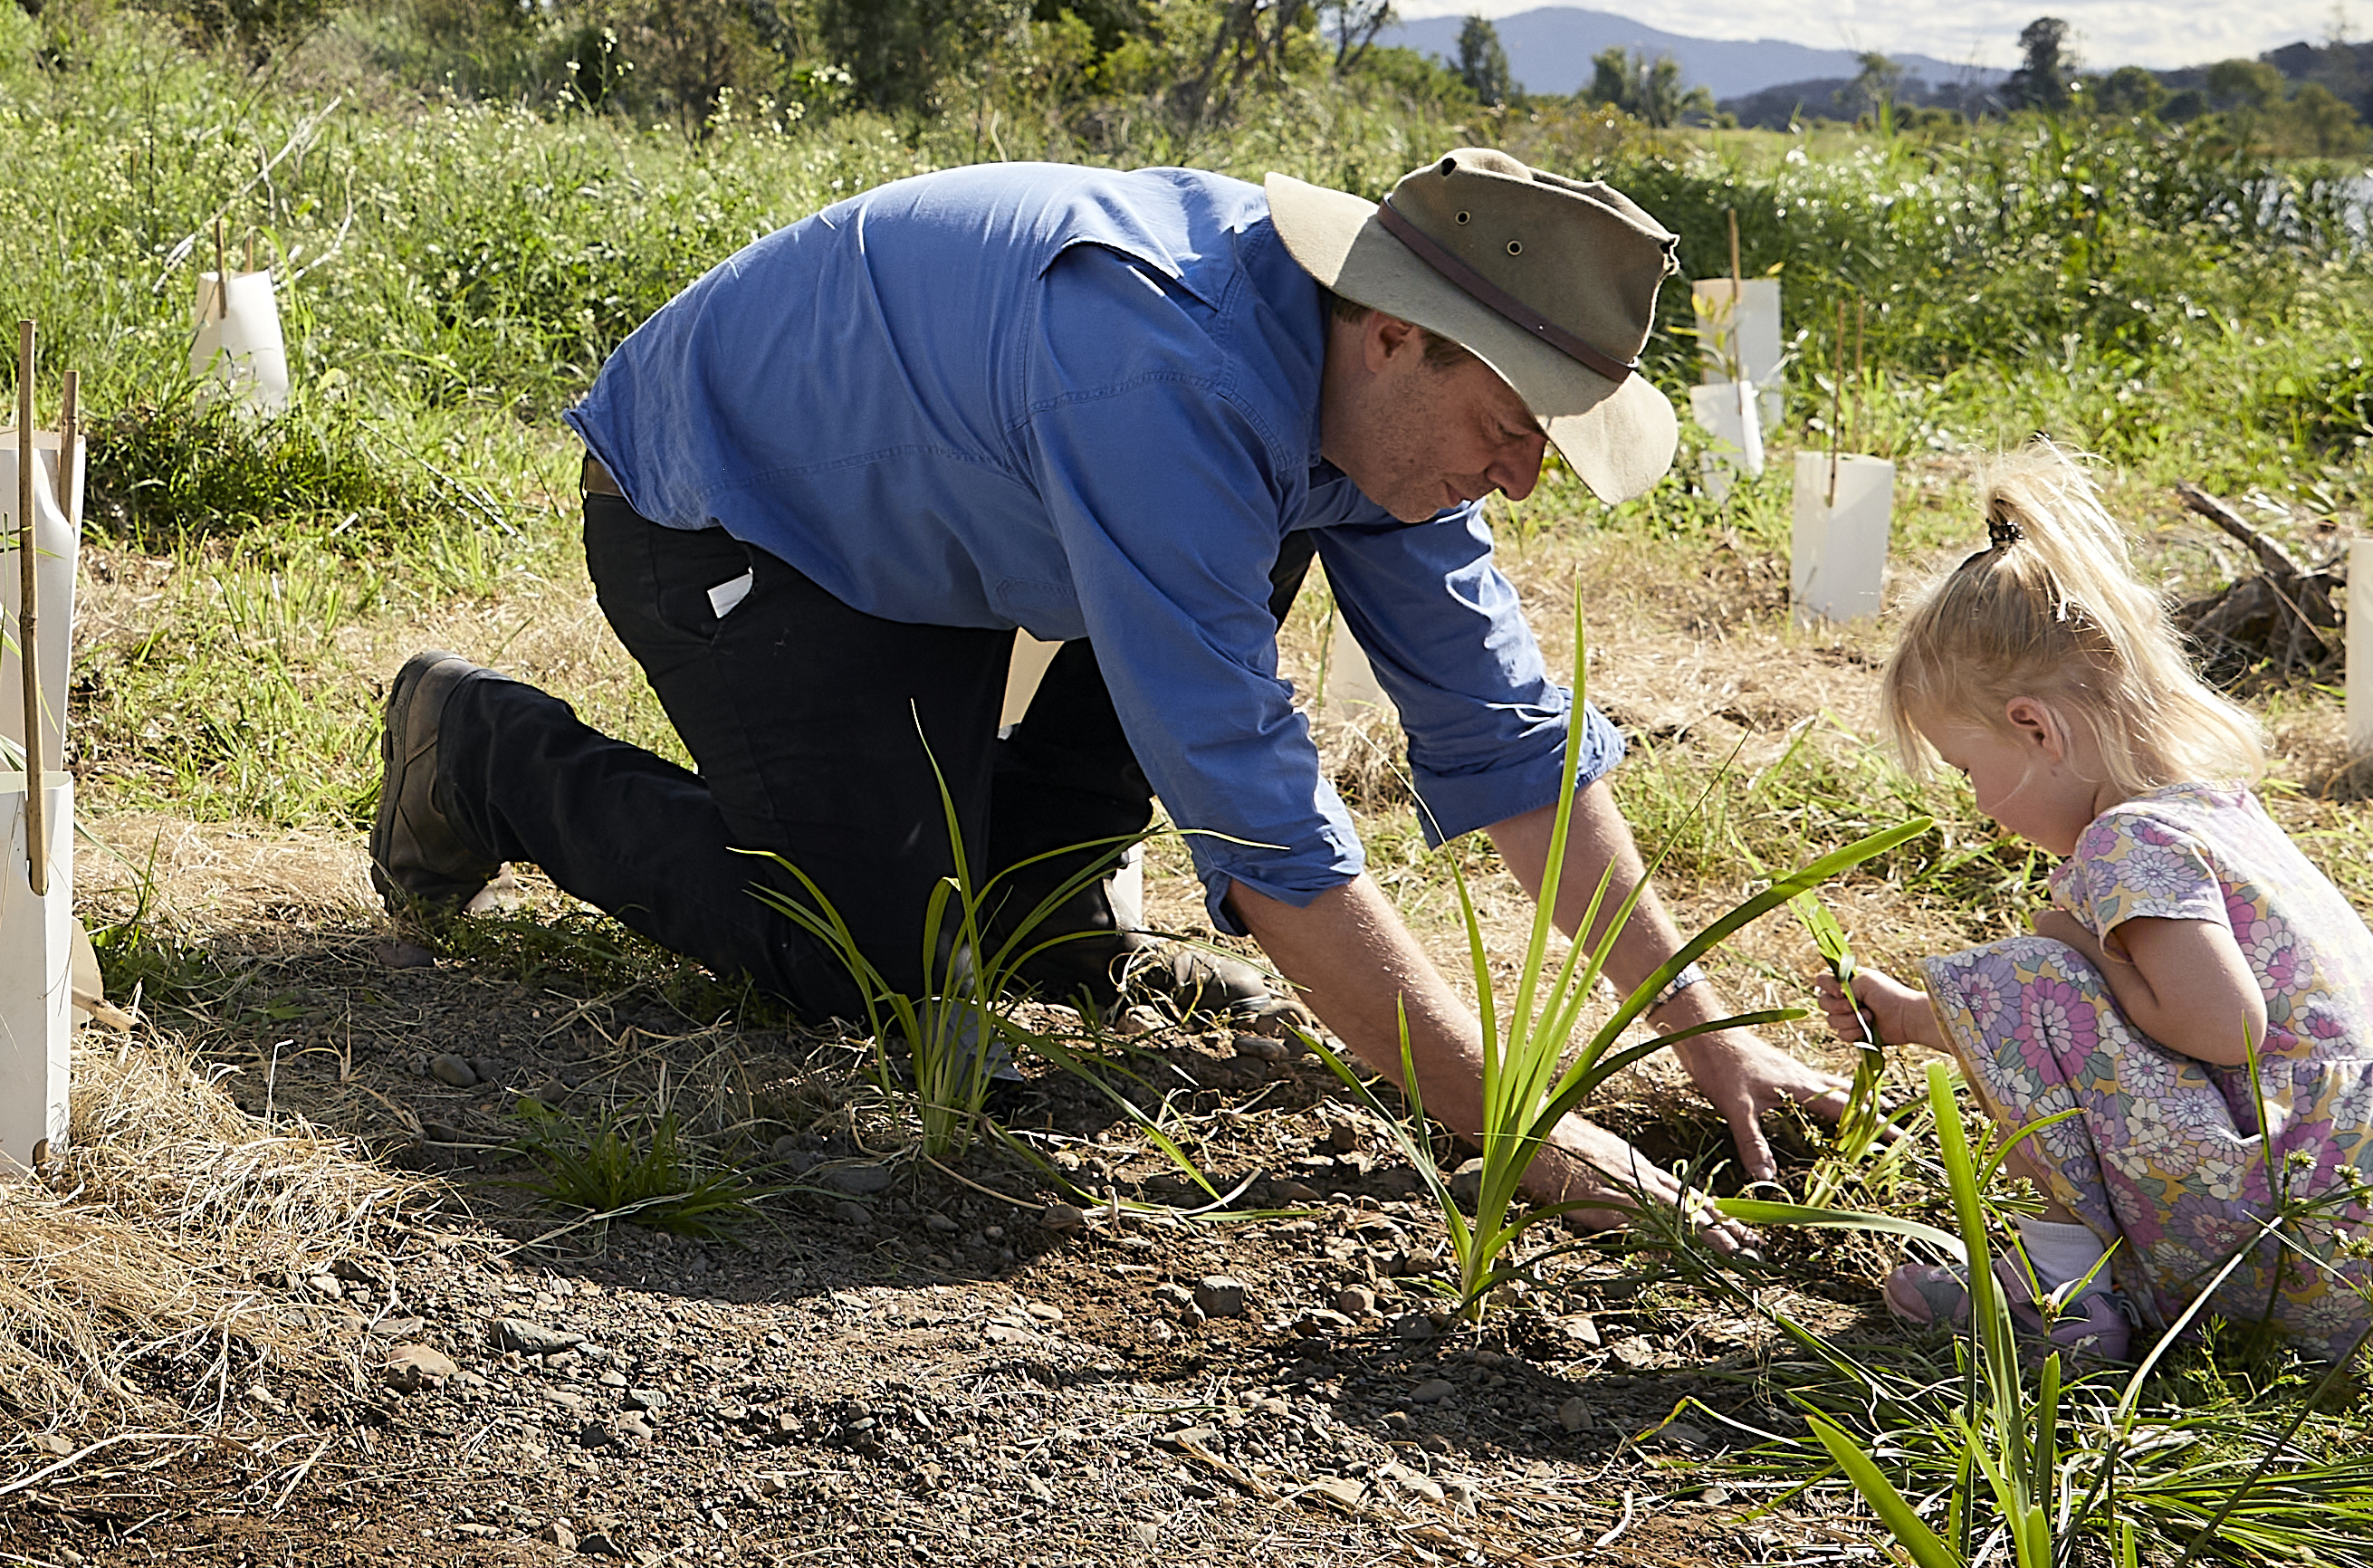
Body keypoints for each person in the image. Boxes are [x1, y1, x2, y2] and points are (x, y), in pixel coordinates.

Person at [368, 147, 1849, 1204]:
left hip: (941, 535)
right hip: (732, 510)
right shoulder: (1167, 371)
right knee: (862, 962)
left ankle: (1044, 901)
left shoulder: (1380, 415)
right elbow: (1261, 814)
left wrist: (1708, 1037)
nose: (1520, 482)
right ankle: (480, 749)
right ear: (1398, 334)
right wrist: (1506, 1122)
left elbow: (1507, 737)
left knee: (1001, 911)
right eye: (1520, 427)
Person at [1816, 452, 2373, 1373]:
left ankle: (2059, 1298)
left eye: (1968, 769)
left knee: (2022, 976)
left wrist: (2070, 945)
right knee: (2041, 982)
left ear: (2036, 728)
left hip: (2316, 1244)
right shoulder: (2224, 816)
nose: (1978, 802)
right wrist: (1909, 1017)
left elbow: (2220, 1023)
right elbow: (2150, 1054)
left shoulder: (2126, 843)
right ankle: (2130, 1290)